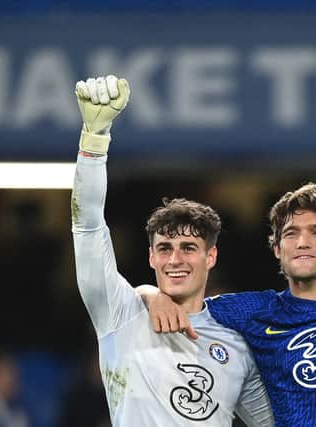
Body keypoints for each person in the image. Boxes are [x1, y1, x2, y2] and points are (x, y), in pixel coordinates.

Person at [143, 8, 316, 426]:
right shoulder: (254, 312)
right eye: (292, 233)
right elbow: (184, 292)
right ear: (276, 250)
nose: (303, 240)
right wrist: (149, 295)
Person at [71, 74, 273, 426]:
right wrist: (94, 139)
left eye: (188, 248)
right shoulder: (120, 312)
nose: (175, 259)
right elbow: (87, 225)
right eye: (164, 248)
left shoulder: (236, 343)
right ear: (151, 257)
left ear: (211, 257)